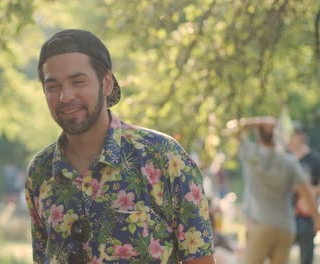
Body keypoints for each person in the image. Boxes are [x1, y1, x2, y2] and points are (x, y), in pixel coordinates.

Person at [25, 29, 215, 264]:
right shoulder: (40, 172)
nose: (65, 96)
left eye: (78, 81)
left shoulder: (163, 156)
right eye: (52, 86)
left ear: (106, 83)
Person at [236, 117, 320, 264]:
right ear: (277, 136)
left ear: (258, 138)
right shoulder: (289, 162)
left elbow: (235, 129)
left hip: (261, 224)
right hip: (285, 227)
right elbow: (306, 193)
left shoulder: (251, 155)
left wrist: (256, 123)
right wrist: (317, 220)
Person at [288, 122, 320, 264]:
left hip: (306, 215)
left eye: (292, 134)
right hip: (285, 214)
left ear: (300, 136)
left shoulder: (314, 159)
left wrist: (307, 191)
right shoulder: (285, 159)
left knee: (306, 258)